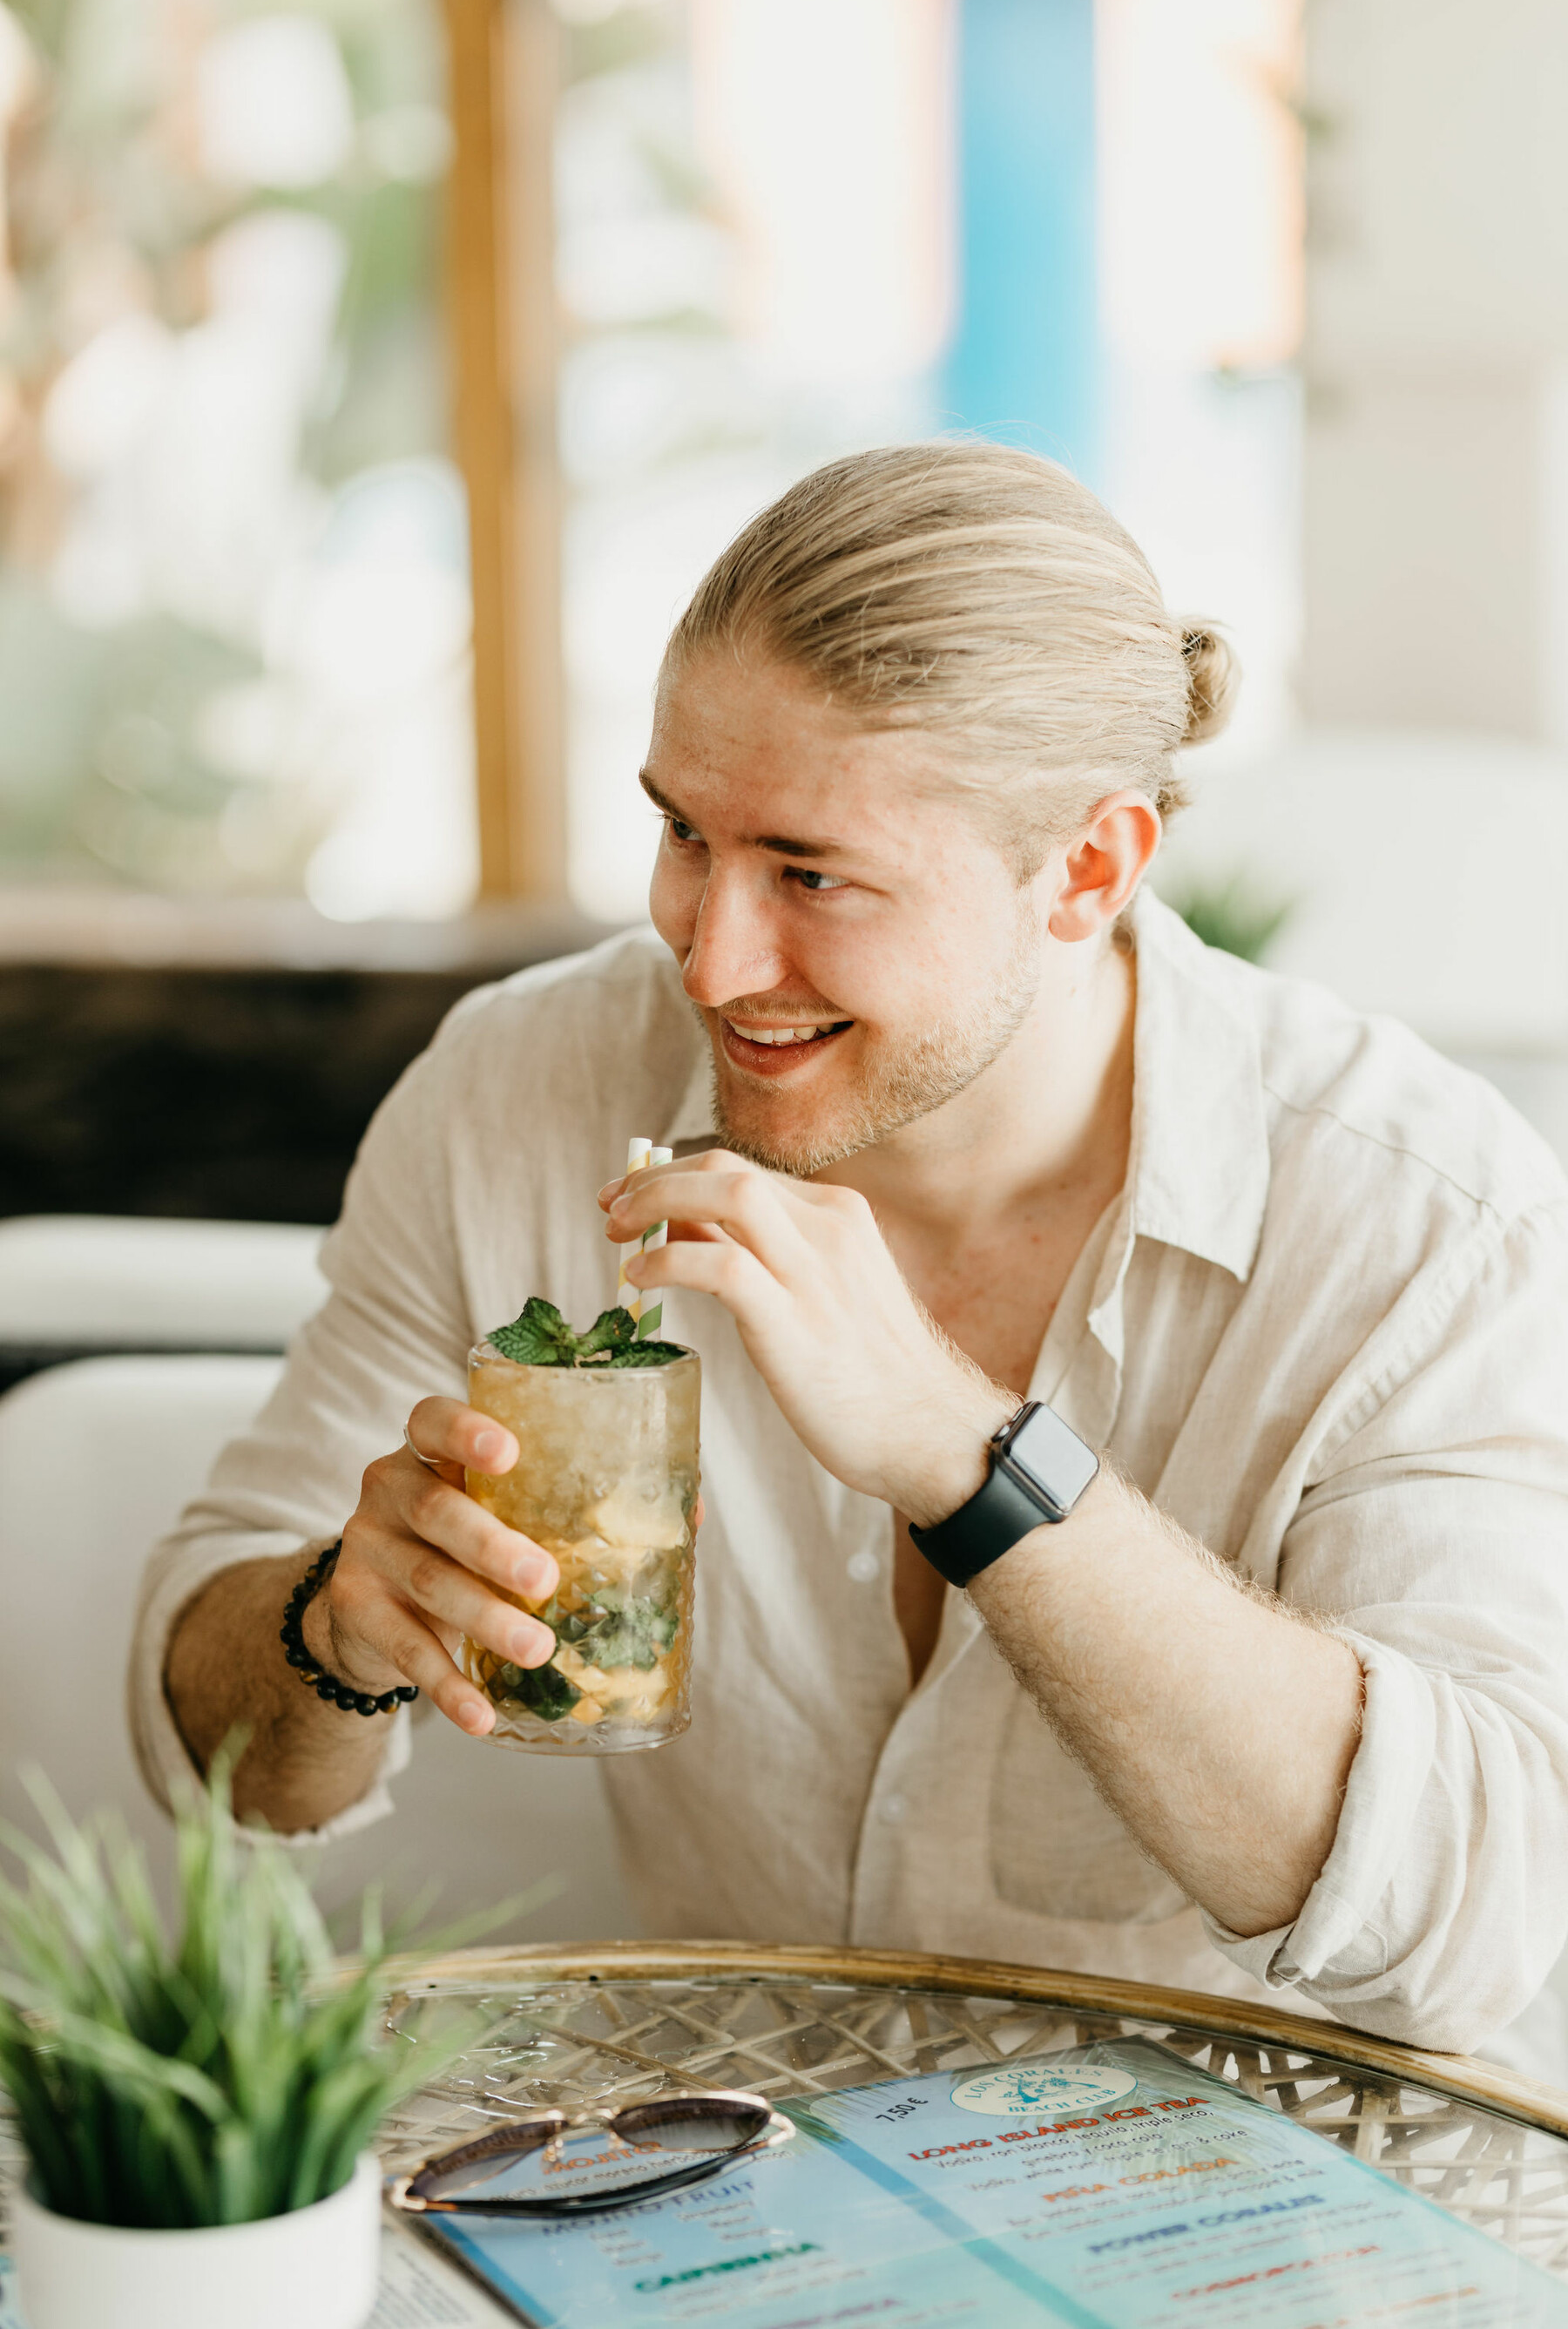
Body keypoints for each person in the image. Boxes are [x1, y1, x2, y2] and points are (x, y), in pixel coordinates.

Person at [136, 442, 1568, 2054]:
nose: (711, 953)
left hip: (1241, 2233)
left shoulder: (1425, 1219)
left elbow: (1463, 1931)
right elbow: (215, 1755)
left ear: (1087, 869)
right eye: (685, 834)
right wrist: (333, 1632)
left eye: (814, 874)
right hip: (718, 2186)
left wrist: (975, 1461)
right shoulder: (514, 1094)